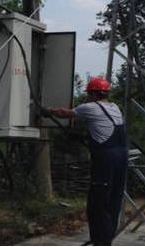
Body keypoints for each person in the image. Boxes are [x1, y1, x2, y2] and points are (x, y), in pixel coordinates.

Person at [45, 77, 126, 246]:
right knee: (113, 200)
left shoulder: (90, 107)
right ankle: (107, 238)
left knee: (97, 203)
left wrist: (49, 110)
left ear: (93, 94)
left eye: (88, 94)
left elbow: (65, 113)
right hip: (121, 158)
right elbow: (101, 130)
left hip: (106, 160)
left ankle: (100, 242)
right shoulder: (115, 107)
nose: (87, 97)